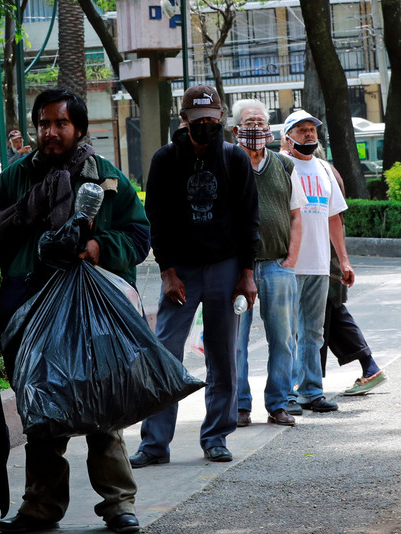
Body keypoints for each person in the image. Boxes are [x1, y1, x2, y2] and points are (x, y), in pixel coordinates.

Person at [0, 88, 151, 534]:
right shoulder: (14, 179)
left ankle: (119, 503)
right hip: (28, 306)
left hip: (92, 310)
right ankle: (41, 506)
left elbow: (139, 236)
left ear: (79, 128)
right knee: (40, 405)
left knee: (102, 402)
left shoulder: (107, 179)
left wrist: (98, 246)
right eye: (43, 124)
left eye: (60, 123)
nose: (51, 132)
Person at [127, 84, 259, 468]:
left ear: (221, 118)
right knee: (165, 353)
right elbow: (157, 220)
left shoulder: (234, 159)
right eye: (198, 119)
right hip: (181, 271)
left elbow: (249, 220)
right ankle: (154, 444)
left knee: (223, 355)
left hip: (225, 268)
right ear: (184, 119)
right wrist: (167, 272)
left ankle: (216, 437)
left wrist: (247, 274)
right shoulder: (166, 159)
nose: (206, 125)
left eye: (212, 119)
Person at [228, 98, 302, 429]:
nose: (256, 128)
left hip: (277, 266)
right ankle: (240, 406)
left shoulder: (284, 165)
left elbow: (296, 215)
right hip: (234, 270)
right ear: (235, 129)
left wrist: (291, 259)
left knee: (283, 339)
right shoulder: (226, 164)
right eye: (249, 122)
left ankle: (279, 403)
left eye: (261, 122)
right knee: (234, 342)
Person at [280, 110, 353, 416]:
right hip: (288, 265)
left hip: (319, 264)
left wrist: (344, 260)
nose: (309, 134)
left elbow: (334, 217)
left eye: (312, 129)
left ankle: (311, 390)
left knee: (314, 332)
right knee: (286, 333)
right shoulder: (281, 166)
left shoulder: (323, 168)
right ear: (287, 137)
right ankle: (286, 394)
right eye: (302, 130)